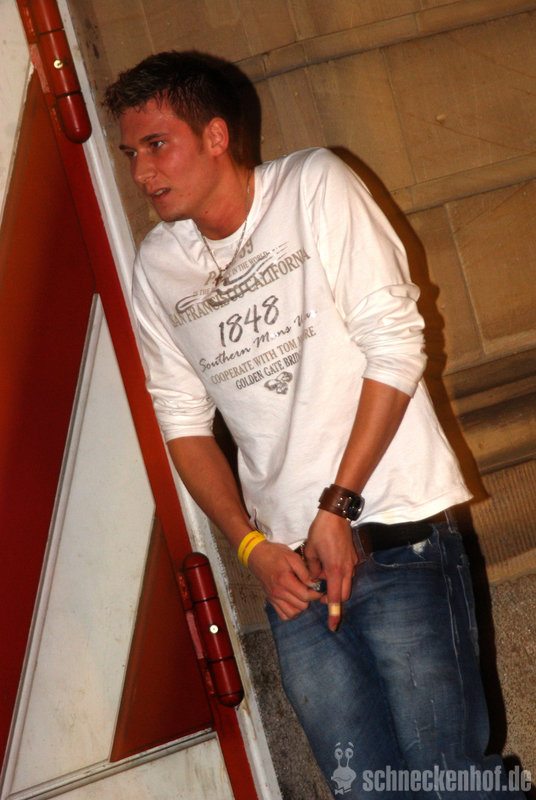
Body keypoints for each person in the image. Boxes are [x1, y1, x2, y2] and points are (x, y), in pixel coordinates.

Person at [104, 51, 527, 799]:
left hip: (396, 535)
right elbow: (183, 423)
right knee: (366, 789)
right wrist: (250, 547)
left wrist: (338, 507)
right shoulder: (158, 265)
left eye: (156, 145)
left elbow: (396, 347)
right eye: (131, 153)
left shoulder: (313, 185)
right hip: (291, 575)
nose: (141, 172)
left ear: (215, 136)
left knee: (450, 783)